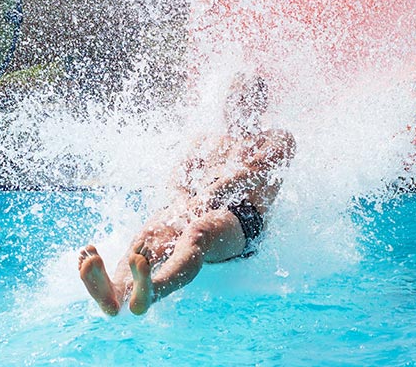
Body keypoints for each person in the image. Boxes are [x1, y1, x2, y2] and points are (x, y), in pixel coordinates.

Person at [77, 72, 295, 315]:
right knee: (153, 232)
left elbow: (255, 170)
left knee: (198, 232)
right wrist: (182, 202)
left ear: (260, 104)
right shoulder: (207, 142)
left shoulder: (277, 138)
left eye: (246, 99)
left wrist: (210, 194)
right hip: (195, 206)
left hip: (242, 218)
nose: (237, 106)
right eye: (233, 99)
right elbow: (178, 181)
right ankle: (115, 292)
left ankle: (152, 290)